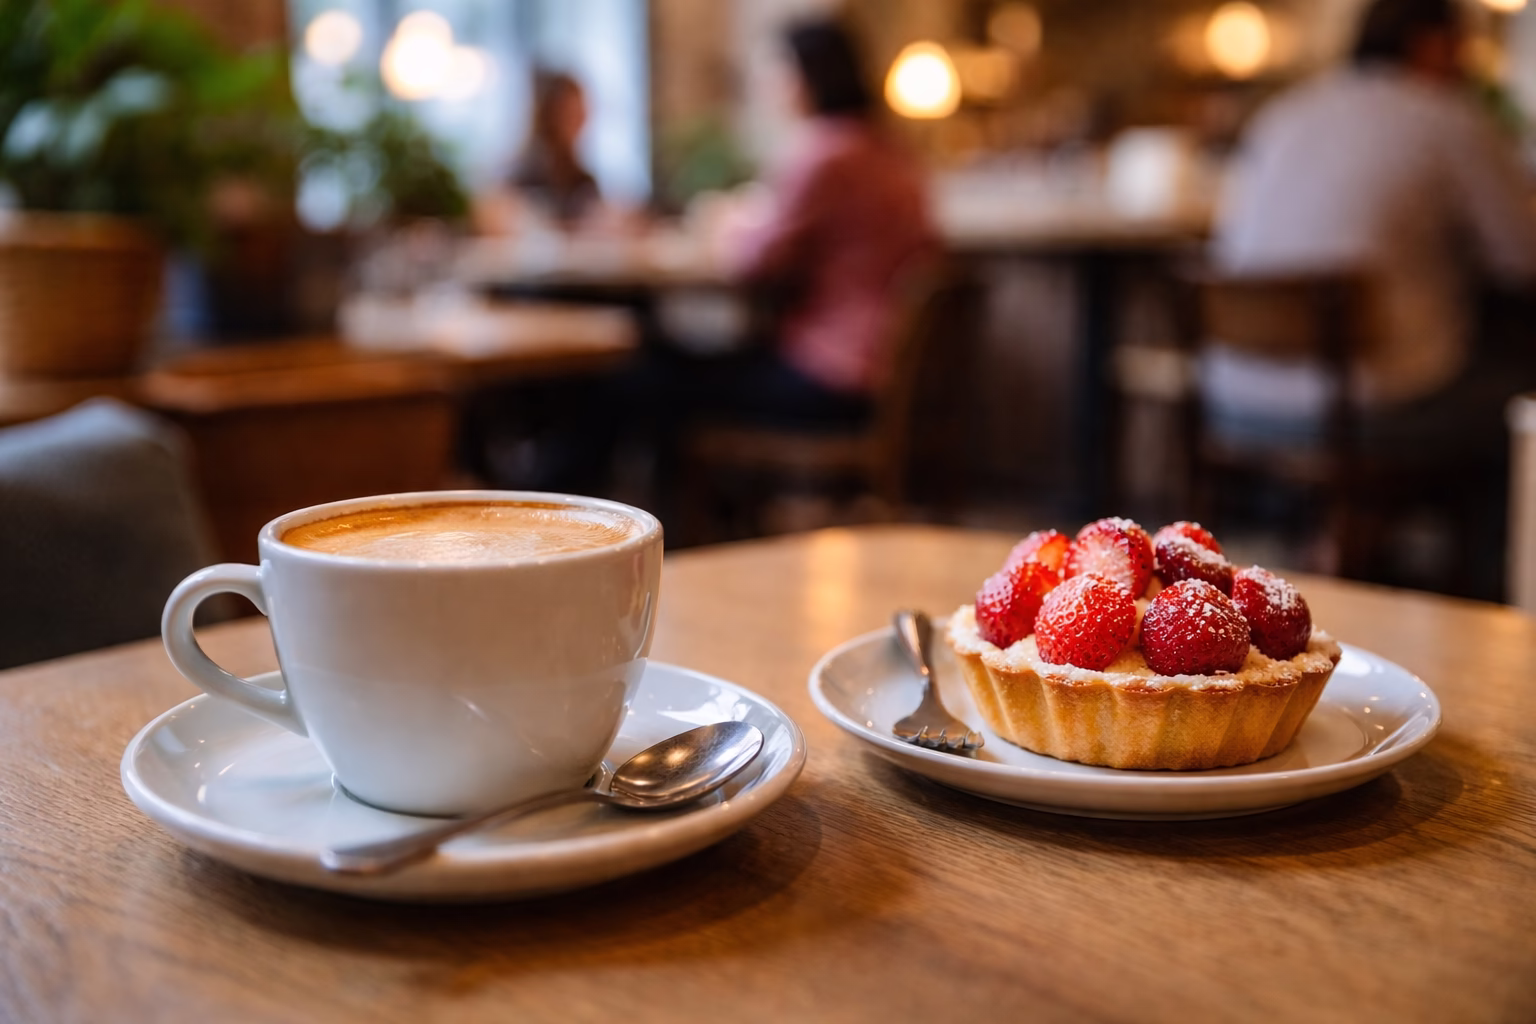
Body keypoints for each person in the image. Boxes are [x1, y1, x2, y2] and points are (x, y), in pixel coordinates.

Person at [1210, 0, 1536, 453]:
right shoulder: (1446, 117)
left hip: (1232, 398)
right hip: (1368, 407)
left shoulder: (1285, 113)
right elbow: (1522, 258)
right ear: (1432, 44)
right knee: (1520, 395)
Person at [508, 70, 600, 225]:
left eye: (579, 112)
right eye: (568, 113)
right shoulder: (528, 174)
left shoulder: (583, 181)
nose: (577, 120)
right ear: (550, 114)